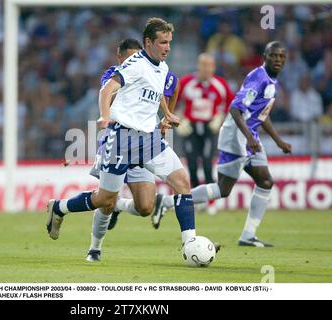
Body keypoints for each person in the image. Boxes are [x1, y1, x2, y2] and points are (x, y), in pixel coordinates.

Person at [46, 18, 198, 262]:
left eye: (170, 42)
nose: (168, 47)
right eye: (163, 42)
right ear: (148, 42)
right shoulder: (134, 64)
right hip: (122, 138)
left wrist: (166, 114)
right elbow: (106, 90)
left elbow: (157, 91)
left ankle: (190, 244)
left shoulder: (163, 67)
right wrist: (105, 117)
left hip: (148, 139)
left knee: (180, 183)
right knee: (104, 200)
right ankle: (60, 208)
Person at [190, 41, 292, 247]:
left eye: (281, 56)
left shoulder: (272, 81)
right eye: (273, 55)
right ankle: (168, 202)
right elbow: (235, 109)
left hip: (249, 138)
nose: (278, 60)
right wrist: (250, 138)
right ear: (265, 56)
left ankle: (248, 235)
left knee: (265, 181)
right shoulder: (258, 77)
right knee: (223, 190)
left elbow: (261, 115)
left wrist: (278, 140)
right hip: (237, 137)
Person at [85, 38, 179, 261]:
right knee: (105, 201)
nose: (136, 63)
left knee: (145, 207)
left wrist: (166, 116)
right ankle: (94, 248)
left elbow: (172, 87)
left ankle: (119, 206)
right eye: (129, 58)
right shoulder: (113, 74)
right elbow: (111, 96)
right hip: (116, 140)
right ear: (120, 58)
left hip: (144, 141)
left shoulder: (155, 71)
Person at [176, 53, 234, 215]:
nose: (206, 69)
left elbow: (232, 105)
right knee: (192, 165)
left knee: (208, 165)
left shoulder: (220, 85)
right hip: (190, 129)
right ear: (198, 66)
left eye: (209, 65)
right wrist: (179, 119)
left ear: (214, 67)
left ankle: (212, 202)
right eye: (203, 65)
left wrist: (220, 118)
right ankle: (197, 201)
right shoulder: (187, 82)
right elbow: (172, 102)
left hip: (210, 129)